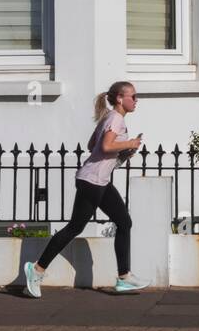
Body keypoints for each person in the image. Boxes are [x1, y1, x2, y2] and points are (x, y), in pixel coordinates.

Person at [24, 82, 150, 297]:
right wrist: (128, 144)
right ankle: (36, 269)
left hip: (97, 180)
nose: (136, 100)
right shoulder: (116, 119)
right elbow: (105, 147)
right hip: (93, 181)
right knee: (77, 227)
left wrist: (122, 154)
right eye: (133, 96)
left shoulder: (108, 118)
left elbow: (93, 146)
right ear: (120, 98)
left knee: (121, 222)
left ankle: (124, 277)